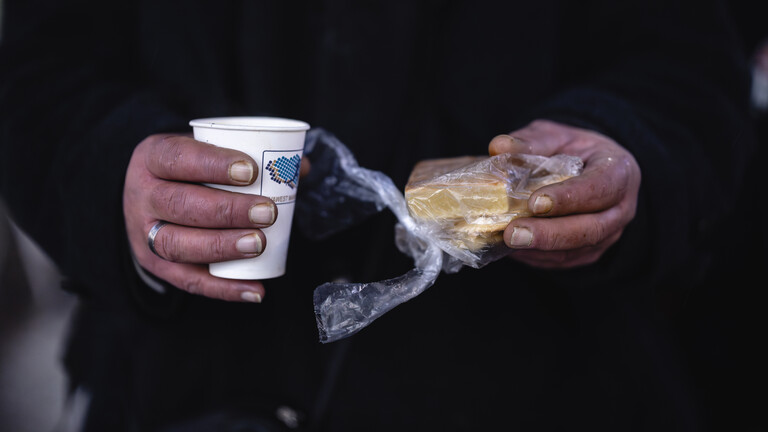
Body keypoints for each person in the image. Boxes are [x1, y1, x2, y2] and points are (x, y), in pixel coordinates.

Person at [0, 0, 761, 431]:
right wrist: (110, 172)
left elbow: (692, 56)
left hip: (551, 390)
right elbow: (38, 69)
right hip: (182, 394)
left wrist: (623, 146)